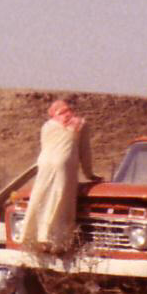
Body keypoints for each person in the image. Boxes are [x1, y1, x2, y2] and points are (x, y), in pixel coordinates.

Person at [18, 98, 99, 251]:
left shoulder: (47, 126)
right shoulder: (80, 125)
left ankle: (33, 237)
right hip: (64, 164)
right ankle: (56, 242)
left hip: (44, 163)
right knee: (61, 200)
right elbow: (85, 153)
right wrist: (90, 174)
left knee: (40, 197)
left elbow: (45, 147)